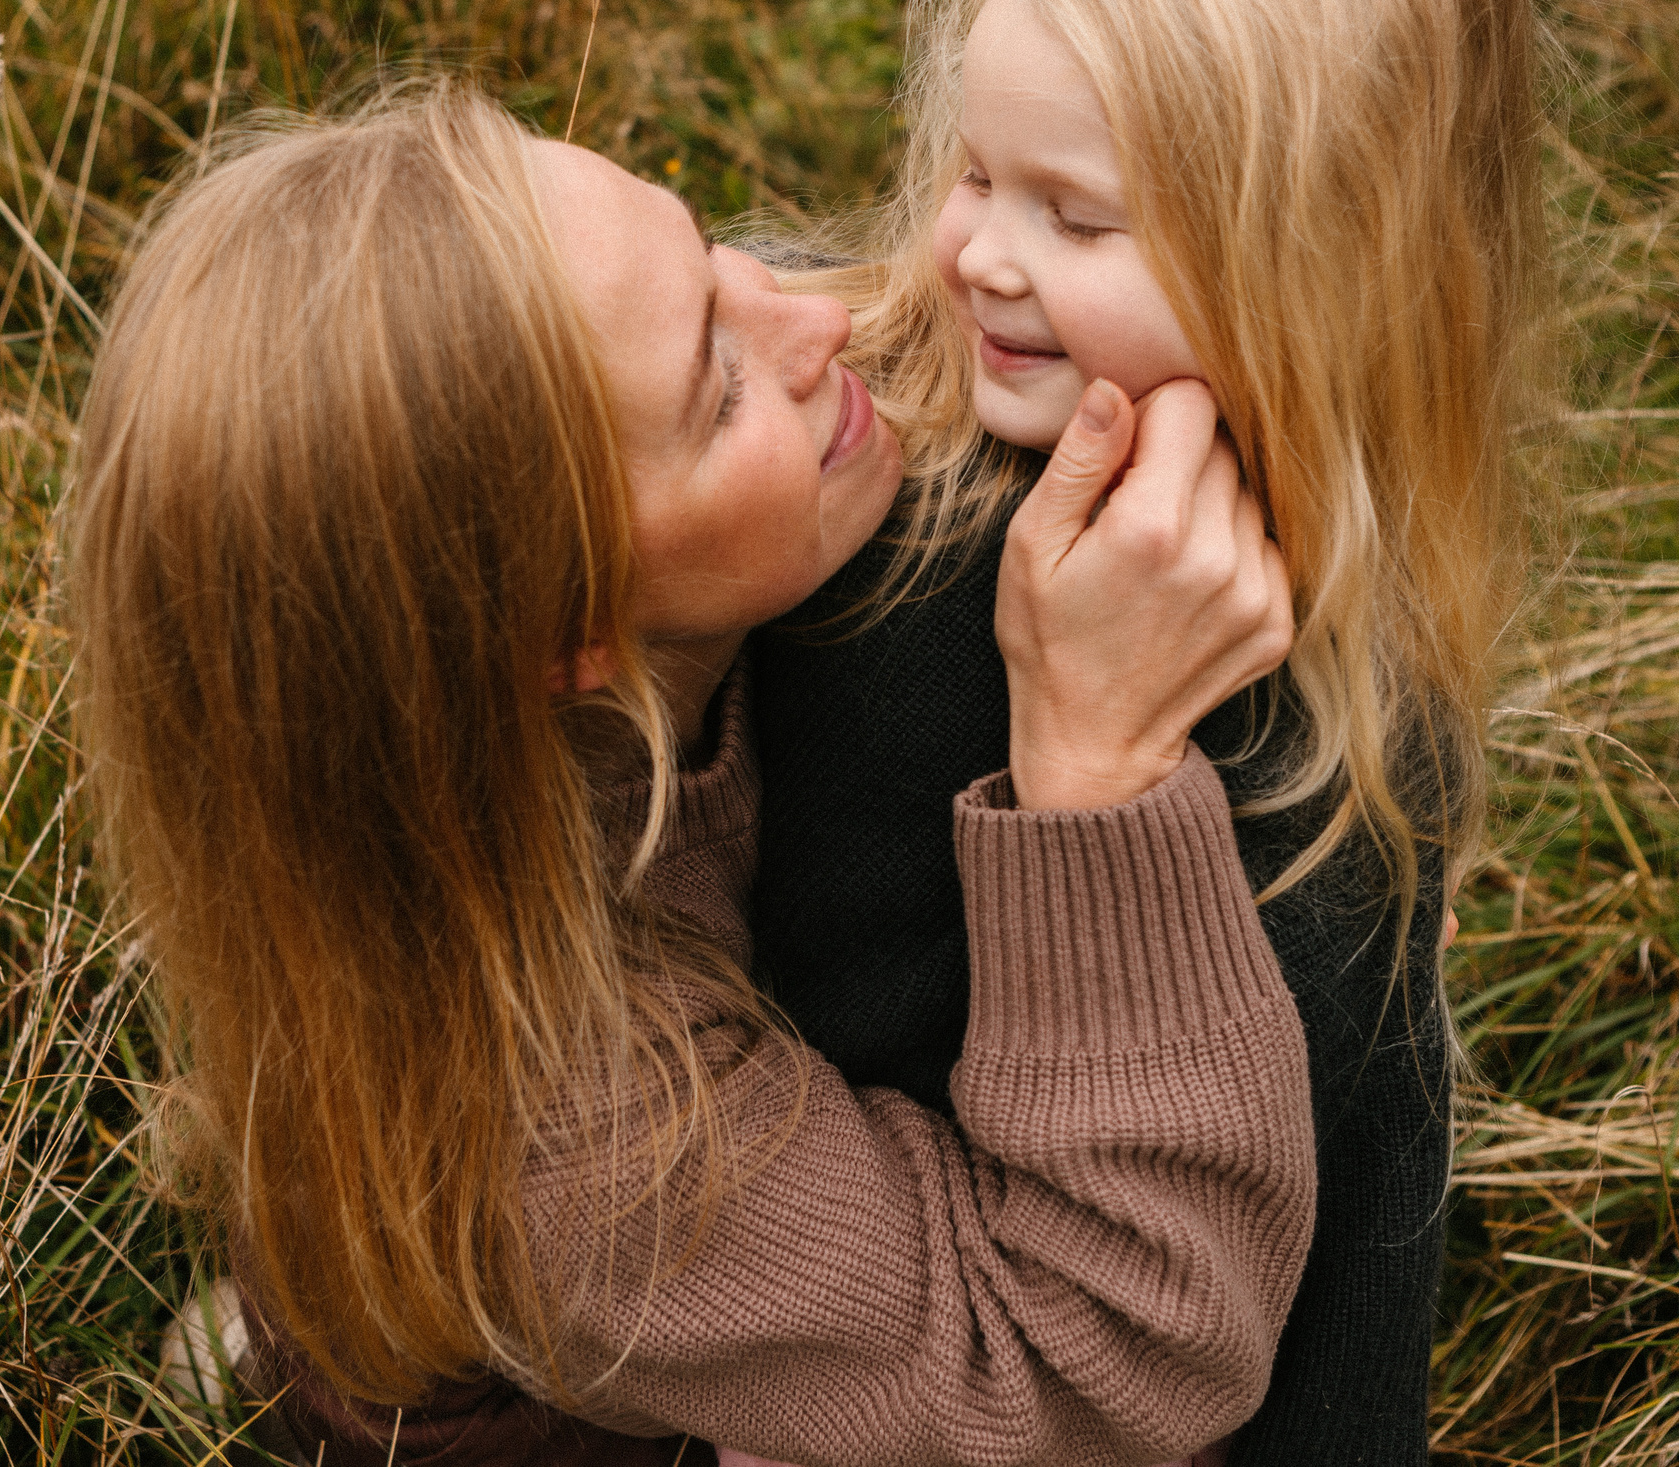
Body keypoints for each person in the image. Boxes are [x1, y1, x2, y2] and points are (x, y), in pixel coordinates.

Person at [68, 87, 1321, 1466]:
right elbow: (1118, 1359)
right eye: (719, 388)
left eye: (708, 251)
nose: (817, 318)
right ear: (564, 636)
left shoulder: (490, 692)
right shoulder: (571, 1133)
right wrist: (1102, 769)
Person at [748, 0, 1542, 1466]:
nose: (978, 257)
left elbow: (1363, 1182)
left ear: (1327, 259)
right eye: (971, 171)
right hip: (817, 1310)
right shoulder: (871, 507)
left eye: (1079, 217)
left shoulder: (1340, 692)